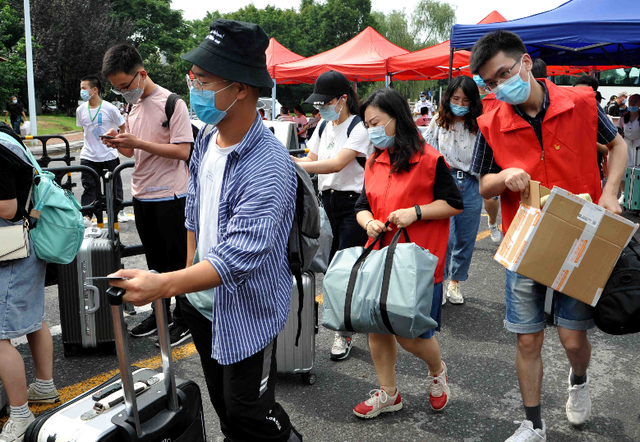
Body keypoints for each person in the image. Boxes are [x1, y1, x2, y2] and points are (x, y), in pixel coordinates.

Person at [109, 19, 302, 442]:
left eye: (204, 79)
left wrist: (162, 284)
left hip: (246, 311)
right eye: (192, 76)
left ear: (241, 89)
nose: (193, 85)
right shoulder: (209, 137)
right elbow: (193, 214)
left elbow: (237, 258)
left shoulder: (268, 165)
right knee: (224, 407)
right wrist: (185, 285)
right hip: (202, 306)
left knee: (250, 410)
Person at [470, 30, 627, 441]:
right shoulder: (491, 122)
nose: (500, 86)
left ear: (525, 62)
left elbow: (619, 147)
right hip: (526, 243)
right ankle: (532, 424)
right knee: (527, 341)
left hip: (581, 237)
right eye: (490, 83)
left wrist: (609, 193)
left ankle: (578, 378)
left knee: (573, 338)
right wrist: (503, 177)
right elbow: (482, 184)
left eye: (504, 74)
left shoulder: (581, 103)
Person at [352, 87, 462, 418]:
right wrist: (368, 221)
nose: (371, 129)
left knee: (411, 336)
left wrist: (416, 212)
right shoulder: (374, 160)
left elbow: (455, 204)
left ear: (397, 119)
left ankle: (437, 371)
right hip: (380, 259)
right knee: (376, 328)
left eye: (376, 122)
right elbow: (361, 205)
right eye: (367, 123)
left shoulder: (429, 160)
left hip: (417, 262)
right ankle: (388, 394)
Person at [101, 44, 193, 347]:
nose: (122, 93)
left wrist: (138, 142)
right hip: (142, 195)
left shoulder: (172, 103)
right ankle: (160, 313)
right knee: (154, 261)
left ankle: (185, 318)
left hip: (172, 196)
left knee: (178, 263)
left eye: (125, 86)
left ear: (141, 74)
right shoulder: (133, 105)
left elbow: (183, 150)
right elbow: (132, 150)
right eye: (116, 89)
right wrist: (119, 143)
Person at [293, 70, 373, 361]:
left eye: (324, 102)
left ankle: (344, 331)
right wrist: (290, 160)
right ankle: (353, 314)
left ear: (342, 99)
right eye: (317, 105)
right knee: (331, 266)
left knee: (344, 267)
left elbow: (336, 164)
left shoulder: (358, 127)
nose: (320, 108)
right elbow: (311, 159)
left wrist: (294, 165)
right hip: (327, 202)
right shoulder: (325, 127)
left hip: (355, 205)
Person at [0, 124, 59, 442]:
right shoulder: (5, 135)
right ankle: (45, 386)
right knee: (35, 317)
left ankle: (20, 414)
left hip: (10, 246)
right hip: (28, 239)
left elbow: (7, 207)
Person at [424, 76, 483, 305]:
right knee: (444, 239)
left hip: (471, 183)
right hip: (445, 183)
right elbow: (427, 151)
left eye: (465, 100)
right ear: (448, 98)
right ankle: (438, 283)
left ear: (473, 102)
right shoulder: (438, 122)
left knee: (466, 239)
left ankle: (455, 282)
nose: (459, 103)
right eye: (455, 98)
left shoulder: (480, 125)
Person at [75, 75, 128, 227]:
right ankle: (87, 214)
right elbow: (83, 130)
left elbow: (122, 126)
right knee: (89, 185)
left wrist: (119, 141)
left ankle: (118, 210)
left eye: (84, 88)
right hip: (88, 155)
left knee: (113, 185)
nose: (82, 91)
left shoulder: (109, 108)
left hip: (108, 154)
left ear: (94, 90)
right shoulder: (80, 110)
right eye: (81, 89)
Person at [474, 74, 503, 243]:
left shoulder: (499, 97)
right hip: (466, 153)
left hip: (490, 150)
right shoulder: (468, 97)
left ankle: (492, 222)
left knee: (490, 198)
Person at [573, 76, 610, 184]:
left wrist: (589, 142)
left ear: (593, 94)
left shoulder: (598, 117)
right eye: (574, 91)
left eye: (582, 93)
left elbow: (610, 148)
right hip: (569, 172)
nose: (577, 96)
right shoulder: (566, 112)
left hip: (591, 173)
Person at [619, 94, 640, 203]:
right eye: (631, 102)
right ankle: (623, 194)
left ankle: (636, 195)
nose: (633, 104)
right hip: (626, 144)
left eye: (635, 102)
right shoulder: (623, 117)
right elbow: (618, 132)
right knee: (623, 170)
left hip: (638, 145)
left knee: (637, 170)